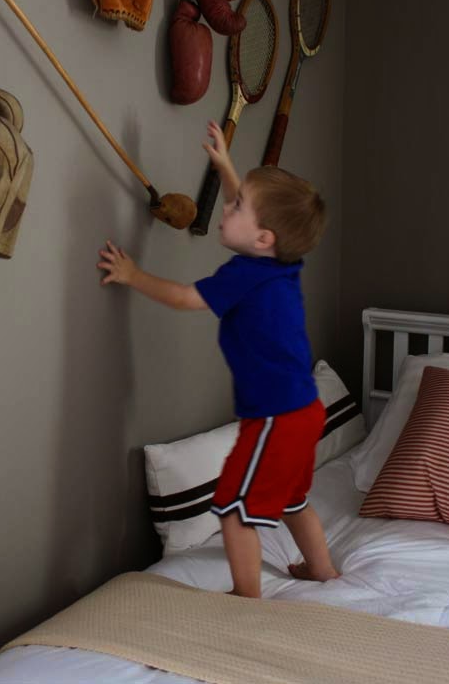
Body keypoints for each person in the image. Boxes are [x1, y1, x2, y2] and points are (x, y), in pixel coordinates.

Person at [97, 120, 337, 599]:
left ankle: (246, 598)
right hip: (305, 411)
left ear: (263, 238)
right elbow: (255, 215)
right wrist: (227, 168)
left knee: (233, 510)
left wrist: (133, 274)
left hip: (274, 418)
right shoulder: (282, 262)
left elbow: (185, 298)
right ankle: (323, 572)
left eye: (236, 205)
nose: (227, 208)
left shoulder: (245, 274)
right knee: (293, 499)